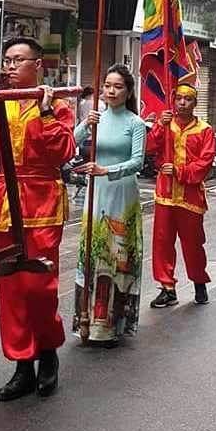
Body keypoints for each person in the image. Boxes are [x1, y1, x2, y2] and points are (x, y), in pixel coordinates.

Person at [0, 36, 75, 401]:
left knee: (40, 286)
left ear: (38, 65)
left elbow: (64, 151)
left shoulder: (60, 106)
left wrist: (46, 111)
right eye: (7, 60)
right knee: (10, 289)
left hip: (42, 202)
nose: (10, 66)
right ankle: (22, 364)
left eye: (18, 60)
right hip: (5, 202)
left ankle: (48, 350)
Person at [73, 64, 146, 346]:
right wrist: (84, 125)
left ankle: (112, 324)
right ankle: (85, 320)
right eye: (107, 86)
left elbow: (138, 162)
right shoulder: (95, 118)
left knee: (116, 256)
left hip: (121, 193)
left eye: (117, 87)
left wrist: (109, 171)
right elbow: (70, 144)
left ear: (128, 93)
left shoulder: (135, 124)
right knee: (91, 254)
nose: (110, 91)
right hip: (97, 191)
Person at [146, 83, 216, 308]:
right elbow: (149, 147)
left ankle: (198, 281)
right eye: (179, 99)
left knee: (193, 243)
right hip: (165, 193)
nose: (183, 103)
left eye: (188, 99)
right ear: (174, 101)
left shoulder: (204, 130)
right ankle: (167, 288)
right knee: (162, 243)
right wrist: (159, 126)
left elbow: (204, 164)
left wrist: (179, 171)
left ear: (195, 103)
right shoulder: (166, 125)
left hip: (190, 196)